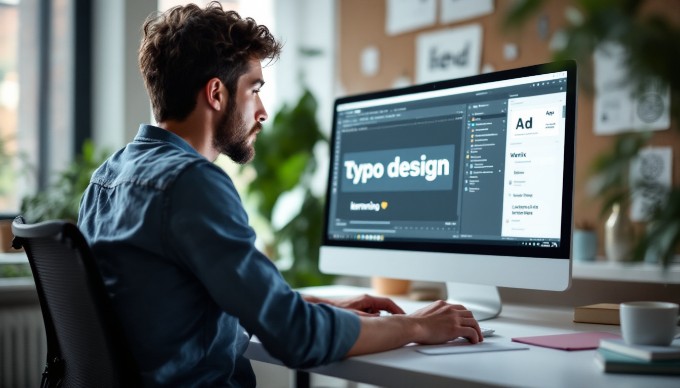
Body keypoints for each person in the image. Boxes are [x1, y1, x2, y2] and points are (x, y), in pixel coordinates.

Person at [78, 2, 483, 386]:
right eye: (254, 89)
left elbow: (176, 303)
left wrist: (309, 304)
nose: (263, 111)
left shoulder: (106, 178)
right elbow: (295, 338)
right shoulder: (191, 183)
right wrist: (415, 325)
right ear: (216, 94)